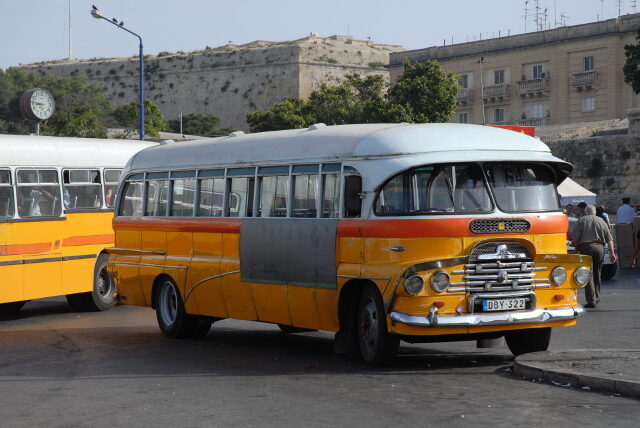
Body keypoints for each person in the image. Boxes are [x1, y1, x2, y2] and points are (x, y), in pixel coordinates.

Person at [570, 205, 617, 308]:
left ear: (585, 212)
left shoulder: (582, 220)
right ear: (595, 212)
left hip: (585, 247)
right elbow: (609, 239)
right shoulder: (601, 221)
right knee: (597, 272)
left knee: (588, 273)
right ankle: (596, 296)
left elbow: (575, 238)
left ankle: (590, 300)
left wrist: (576, 248)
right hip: (599, 247)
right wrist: (612, 253)